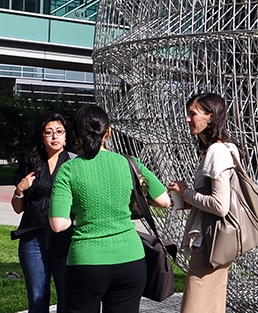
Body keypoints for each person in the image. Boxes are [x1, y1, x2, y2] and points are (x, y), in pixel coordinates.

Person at [50, 104, 172, 313]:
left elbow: (58, 224)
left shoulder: (68, 169)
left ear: (76, 134)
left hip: (87, 261)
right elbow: (163, 200)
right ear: (108, 132)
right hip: (131, 259)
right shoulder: (129, 163)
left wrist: (74, 214)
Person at [167, 93, 239, 312]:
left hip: (209, 243)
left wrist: (186, 192)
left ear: (211, 117)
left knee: (195, 306)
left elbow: (220, 205)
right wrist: (189, 200)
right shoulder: (223, 148)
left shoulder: (217, 151)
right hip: (214, 242)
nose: (188, 119)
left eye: (193, 114)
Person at [10, 113, 75, 313]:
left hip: (66, 238)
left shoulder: (75, 164)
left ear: (66, 136)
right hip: (33, 238)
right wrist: (20, 190)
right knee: (38, 300)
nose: (54, 137)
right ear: (41, 137)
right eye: (49, 132)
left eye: (59, 132)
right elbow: (18, 208)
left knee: (67, 299)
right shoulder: (30, 164)